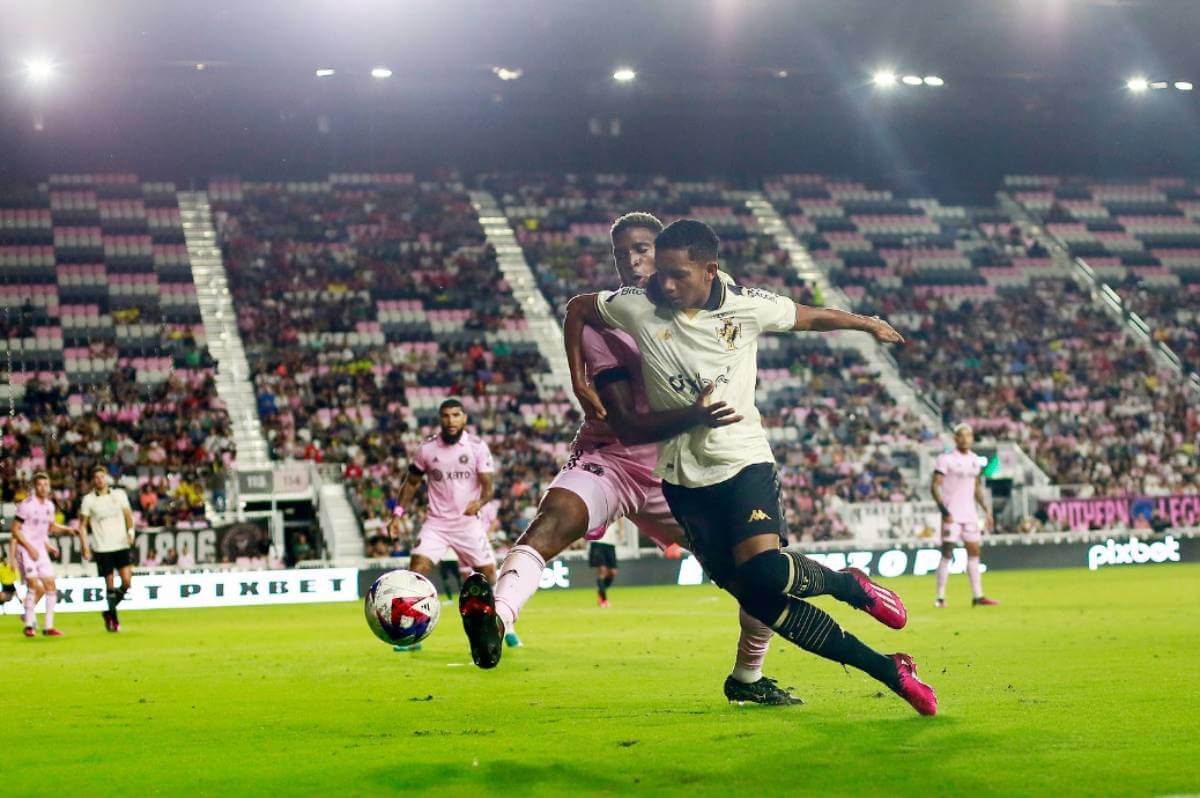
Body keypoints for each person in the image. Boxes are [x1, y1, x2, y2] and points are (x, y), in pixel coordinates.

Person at [562, 219, 937, 715]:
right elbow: (577, 309)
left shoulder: (748, 305)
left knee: (764, 569)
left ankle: (852, 586)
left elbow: (808, 316)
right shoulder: (637, 303)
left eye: (677, 275)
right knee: (763, 601)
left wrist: (863, 321)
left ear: (709, 270)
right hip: (681, 479)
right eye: (661, 275)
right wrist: (578, 378)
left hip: (742, 461)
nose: (664, 285)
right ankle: (889, 670)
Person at [460, 213, 798, 705]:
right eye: (621, 254)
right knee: (551, 522)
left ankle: (749, 676)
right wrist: (579, 376)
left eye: (641, 249)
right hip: (614, 458)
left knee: (758, 574)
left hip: (682, 468)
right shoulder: (611, 318)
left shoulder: (708, 301)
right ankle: (498, 616)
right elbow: (618, 408)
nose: (632, 262)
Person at [389, 398, 517, 650]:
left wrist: (479, 502)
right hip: (436, 524)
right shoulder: (427, 449)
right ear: (440, 418)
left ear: (464, 418)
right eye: (446, 416)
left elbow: (489, 488)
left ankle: (507, 626)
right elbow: (411, 483)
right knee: (416, 572)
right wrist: (397, 513)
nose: (451, 420)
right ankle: (413, 634)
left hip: (467, 524)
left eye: (456, 415)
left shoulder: (477, 448)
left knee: (489, 575)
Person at [931, 424, 998, 608]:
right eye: (962, 435)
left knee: (975, 552)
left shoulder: (975, 460)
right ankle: (940, 597)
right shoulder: (946, 459)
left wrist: (986, 510)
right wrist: (944, 511)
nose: (966, 439)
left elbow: (976, 487)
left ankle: (978, 596)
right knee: (947, 553)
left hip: (969, 514)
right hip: (952, 514)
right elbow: (935, 485)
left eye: (969, 435)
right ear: (956, 438)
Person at [10, 472, 76, 637]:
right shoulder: (26, 505)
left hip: (40, 549)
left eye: (46, 485)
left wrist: (66, 530)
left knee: (51, 585)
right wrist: (29, 547)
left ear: (49, 487)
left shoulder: (49, 506)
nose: (43, 488)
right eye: (39, 484)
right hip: (26, 549)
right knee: (33, 584)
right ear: (34, 487)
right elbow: (15, 530)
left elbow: (50, 527)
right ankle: (29, 625)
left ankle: (48, 627)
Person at [80, 466, 137, 632]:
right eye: (96, 477)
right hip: (102, 547)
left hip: (121, 544)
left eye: (102, 476)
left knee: (127, 582)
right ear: (93, 480)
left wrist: (131, 532)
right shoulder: (88, 500)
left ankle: (108, 611)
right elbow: (82, 525)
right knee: (110, 585)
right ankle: (114, 620)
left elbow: (128, 516)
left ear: (107, 478)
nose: (99, 480)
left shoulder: (119, 495)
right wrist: (84, 545)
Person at [589, 520, 621, 608]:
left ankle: (601, 591)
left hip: (610, 542)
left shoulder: (616, 507)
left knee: (613, 572)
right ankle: (604, 599)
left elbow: (621, 515)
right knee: (602, 571)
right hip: (597, 541)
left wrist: (621, 529)